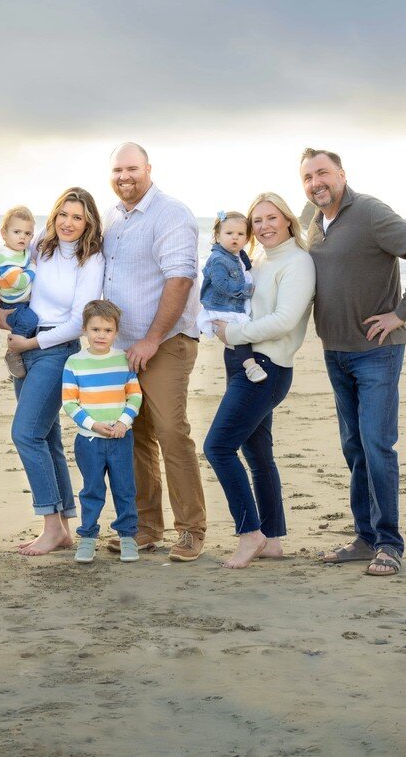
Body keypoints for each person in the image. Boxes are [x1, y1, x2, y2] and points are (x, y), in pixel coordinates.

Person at [301, 148, 406, 579]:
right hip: (335, 351)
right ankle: (364, 538)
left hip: (378, 352)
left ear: (342, 174)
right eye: (307, 177)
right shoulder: (312, 216)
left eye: (323, 173)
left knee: (377, 446)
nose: (315, 182)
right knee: (354, 447)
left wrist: (400, 313)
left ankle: (389, 544)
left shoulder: (370, 212)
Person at [101, 142, 206, 562]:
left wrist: (150, 338)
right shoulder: (112, 216)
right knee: (135, 435)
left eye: (131, 169)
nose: (124, 177)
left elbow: (180, 278)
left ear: (148, 168)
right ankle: (146, 527)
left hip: (165, 343)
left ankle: (191, 529)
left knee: (170, 432)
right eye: (117, 171)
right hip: (121, 349)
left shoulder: (171, 213)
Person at [204, 193, 315, 569]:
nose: (264, 226)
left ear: (287, 220)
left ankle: (250, 533)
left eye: (271, 218)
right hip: (243, 363)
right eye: (257, 221)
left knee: (218, 447)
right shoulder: (259, 260)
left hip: (267, 368)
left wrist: (234, 335)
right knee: (257, 455)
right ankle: (272, 539)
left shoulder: (299, 263)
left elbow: (285, 320)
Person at [5, 187, 105, 556]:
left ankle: (49, 525)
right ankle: (62, 528)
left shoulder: (90, 260)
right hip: (26, 346)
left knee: (26, 434)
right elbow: (14, 277)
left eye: (77, 217)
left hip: (55, 351)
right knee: (46, 438)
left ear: (88, 222)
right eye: (63, 214)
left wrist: (30, 345)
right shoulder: (41, 247)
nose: (68, 222)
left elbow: (80, 322)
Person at [61, 300, 143, 564]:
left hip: (120, 438)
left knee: (125, 489)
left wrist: (123, 423)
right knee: (92, 490)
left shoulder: (123, 360)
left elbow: (135, 397)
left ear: (116, 332)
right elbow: (70, 402)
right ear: (85, 329)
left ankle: (128, 537)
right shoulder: (74, 362)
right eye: (95, 329)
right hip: (89, 440)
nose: (101, 335)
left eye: (107, 330)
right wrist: (93, 425)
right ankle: (87, 538)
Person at [199, 211, 266, 383]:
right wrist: (247, 290)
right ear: (217, 235)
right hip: (222, 306)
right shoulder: (218, 259)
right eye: (229, 233)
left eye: (240, 234)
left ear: (247, 238)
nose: (234, 238)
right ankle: (251, 366)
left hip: (232, 305)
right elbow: (222, 285)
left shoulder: (238, 255)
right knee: (240, 332)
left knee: (242, 330)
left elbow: (246, 268)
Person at [0, 206, 37, 379]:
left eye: (27, 234)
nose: (22, 237)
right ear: (4, 233)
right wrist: (33, 267)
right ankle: (13, 352)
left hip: (22, 302)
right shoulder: (5, 258)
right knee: (29, 320)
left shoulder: (21, 252)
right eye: (17, 231)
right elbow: (19, 282)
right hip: (11, 305)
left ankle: (21, 354)